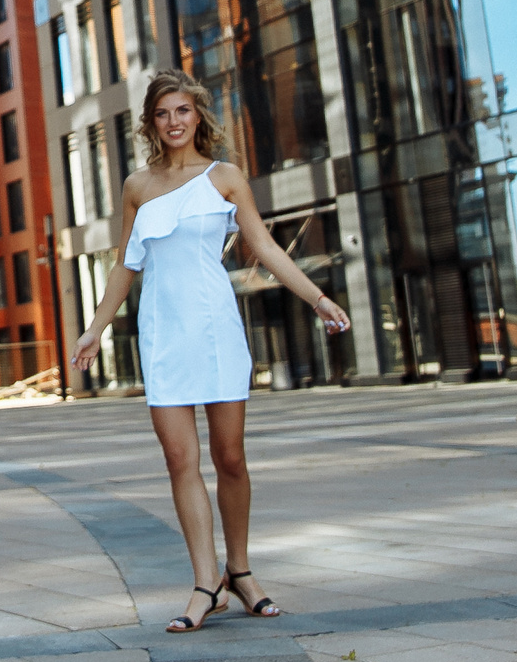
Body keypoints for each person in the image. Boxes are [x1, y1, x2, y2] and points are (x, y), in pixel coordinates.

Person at [71, 71, 350, 632]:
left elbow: (264, 246)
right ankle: (205, 584)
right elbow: (126, 265)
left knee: (230, 459)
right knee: (181, 461)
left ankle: (240, 572)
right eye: (162, 113)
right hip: (163, 334)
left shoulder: (225, 177)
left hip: (216, 328)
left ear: (198, 114)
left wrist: (318, 299)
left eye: (182, 110)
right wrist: (95, 328)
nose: (174, 121)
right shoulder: (137, 186)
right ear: (151, 123)